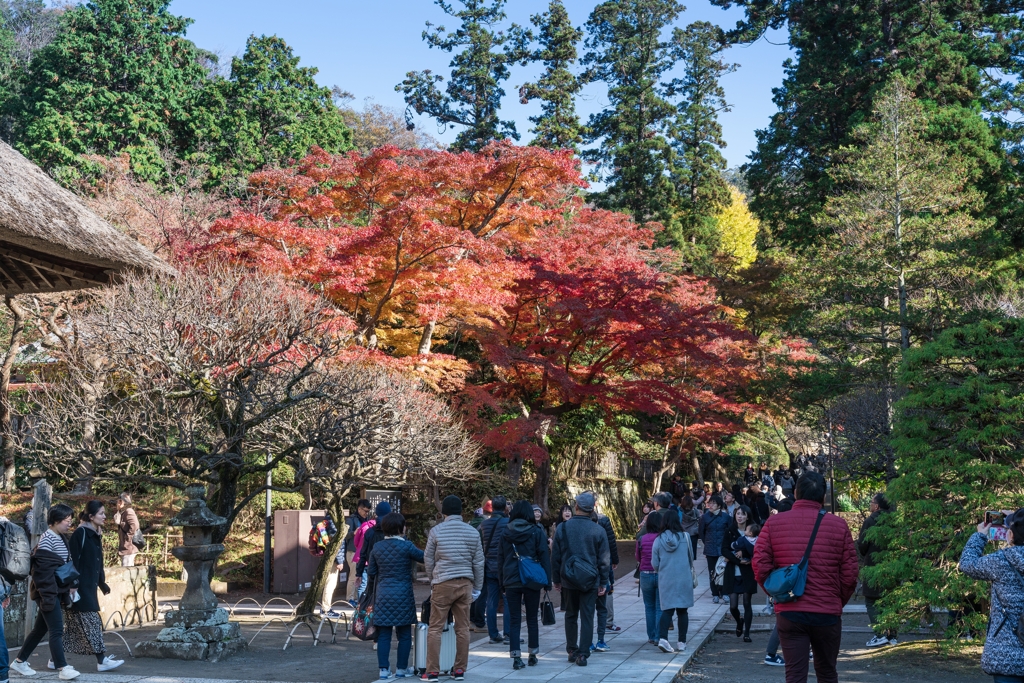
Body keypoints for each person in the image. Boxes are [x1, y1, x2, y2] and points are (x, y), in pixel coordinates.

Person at [753, 472, 858, 683]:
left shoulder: (774, 524)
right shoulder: (838, 526)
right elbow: (850, 574)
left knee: (794, 675)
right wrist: (837, 601)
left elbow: (760, 565)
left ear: (796, 492)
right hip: (827, 611)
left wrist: (778, 594)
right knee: (827, 672)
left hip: (791, 611)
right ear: (823, 496)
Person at [11, 504, 81, 681]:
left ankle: (19, 661)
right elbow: (42, 572)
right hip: (48, 592)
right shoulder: (48, 539)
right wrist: (48, 596)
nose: (69, 524)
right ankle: (62, 667)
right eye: (67, 521)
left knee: (40, 629)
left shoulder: (59, 536)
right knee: (56, 630)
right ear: (56, 521)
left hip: (54, 590)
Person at [422, 495, 484, 682]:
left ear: (443, 512)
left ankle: (432, 671)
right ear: (461, 511)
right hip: (465, 582)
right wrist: (478, 588)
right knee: (463, 628)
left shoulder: (436, 531)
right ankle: (459, 670)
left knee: (435, 628)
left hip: (442, 583)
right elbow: (479, 562)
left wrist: (434, 578)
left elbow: (428, 558)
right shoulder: (472, 532)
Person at [960, 508, 1024, 683]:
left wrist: (980, 535)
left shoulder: (1001, 561)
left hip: (1006, 656)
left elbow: (967, 564)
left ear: (1010, 535)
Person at [551, 492, 610, 667]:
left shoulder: (563, 528)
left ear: (576, 507)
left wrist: (556, 579)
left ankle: (571, 649)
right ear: (592, 508)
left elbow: (555, 556)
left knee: (570, 614)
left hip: (569, 579)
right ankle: (583, 653)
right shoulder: (598, 530)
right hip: (590, 580)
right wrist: (603, 581)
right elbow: (604, 559)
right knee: (587, 616)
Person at [65, 501, 122, 672]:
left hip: (89, 585)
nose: (105, 516)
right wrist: (73, 584)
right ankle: (102, 660)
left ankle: (54, 659)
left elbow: (98, 561)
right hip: (78, 587)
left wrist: (102, 582)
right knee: (92, 621)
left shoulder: (95, 534)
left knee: (73, 629)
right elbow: (72, 561)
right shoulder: (81, 533)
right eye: (101, 513)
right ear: (91, 516)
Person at [367, 512, 424, 680]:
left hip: (383, 595)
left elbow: (371, 572)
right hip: (403, 595)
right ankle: (401, 669)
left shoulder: (377, 547)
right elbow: (424, 557)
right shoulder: (407, 546)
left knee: (384, 635)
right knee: (404, 635)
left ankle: (383, 670)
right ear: (400, 528)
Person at [497, 500, 551, 670]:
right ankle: (533, 654)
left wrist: (502, 583)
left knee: (514, 619)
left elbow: (500, 559)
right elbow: (544, 557)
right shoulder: (536, 531)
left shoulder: (506, 532)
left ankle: (516, 657)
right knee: (532, 618)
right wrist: (547, 581)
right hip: (531, 579)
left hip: (511, 579)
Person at [652, 510, 694, 654]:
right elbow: (691, 558)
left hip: (666, 578)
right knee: (683, 611)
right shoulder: (686, 537)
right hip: (683, 578)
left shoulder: (658, 540)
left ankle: (663, 638)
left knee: (667, 610)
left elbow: (654, 563)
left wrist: (662, 570)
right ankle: (681, 642)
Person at [859, 493, 897, 648]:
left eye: (871, 502)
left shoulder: (870, 521)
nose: (870, 504)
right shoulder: (895, 521)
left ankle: (880, 634)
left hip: (874, 565)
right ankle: (893, 635)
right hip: (894, 565)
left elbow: (862, 546)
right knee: (892, 601)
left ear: (877, 506)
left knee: (871, 600)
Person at [722, 506, 759, 642]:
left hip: (748, 572)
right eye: (738, 514)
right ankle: (739, 621)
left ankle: (747, 633)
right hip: (733, 570)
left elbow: (759, 549)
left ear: (747, 516)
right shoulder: (730, 530)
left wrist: (745, 553)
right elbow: (724, 549)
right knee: (733, 606)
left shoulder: (753, 531)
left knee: (747, 602)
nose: (740, 517)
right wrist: (737, 560)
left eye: (743, 514)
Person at [589, 493, 620, 651]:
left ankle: (588, 642)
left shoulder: (574, 529)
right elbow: (607, 553)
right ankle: (600, 640)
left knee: (587, 611)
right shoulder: (602, 527)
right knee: (600, 608)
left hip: (585, 576)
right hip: (600, 575)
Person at [478, 495, 510, 644]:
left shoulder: (484, 525)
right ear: (505, 508)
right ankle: (509, 633)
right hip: (505, 566)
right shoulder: (509, 523)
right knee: (508, 599)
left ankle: (493, 634)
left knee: (491, 600)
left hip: (489, 565)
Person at [354, 501, 392, 598]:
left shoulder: (369, 532)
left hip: (372, 569)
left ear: (376, 513)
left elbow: (362, 553)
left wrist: (359, 573)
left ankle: (363, 610)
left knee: (370, 594)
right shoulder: (394, 531)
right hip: (390, 571)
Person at [697, 495, 729, 604]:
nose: (710, 505)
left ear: (719, 505)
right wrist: (707, 542)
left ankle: (725, 592)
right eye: (709, 503)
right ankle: (715, 593)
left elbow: (729, 532)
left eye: (713, 503)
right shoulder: (705, 517)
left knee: (724, 571)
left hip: (723, 549)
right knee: (712, 572)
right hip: (710, 548)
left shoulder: (726, 517)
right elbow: (701, 533)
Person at [636, 513, 662, 644]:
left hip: (645, 574)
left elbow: (638, 557)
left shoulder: (641, 539)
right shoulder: (662, 538)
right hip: (660, 574)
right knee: (659, 607)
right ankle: (659, 636)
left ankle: (651, 636)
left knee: (649, 606)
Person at [314, 513, 344, 618]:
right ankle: (326, 609)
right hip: (332, 558)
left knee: (327, 583)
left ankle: (325, 608)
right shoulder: (333, 522)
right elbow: (336, 544)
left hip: (327, 557)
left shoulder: (327, 520)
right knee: (330, 584)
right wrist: (339, 560)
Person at [345, 499, 372, 604]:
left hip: (362, 553)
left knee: (360, 577)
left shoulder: (368, 520)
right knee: (353, 576)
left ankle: (357, 598)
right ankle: (350, 598)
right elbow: (344, 536)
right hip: (352, 551)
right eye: (365, 511)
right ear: (359, 509)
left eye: (368, 511)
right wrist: (353, 533)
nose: (366, 513)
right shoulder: (351, 520)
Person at [113, 493, 139, 567]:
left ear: (122, 502)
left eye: (118, 501)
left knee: (126, 571)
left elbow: (135, 525)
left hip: (129, 548)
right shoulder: (123, 512)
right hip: (126, 547)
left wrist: (128, 538)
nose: (117, 503)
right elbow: (117, 521)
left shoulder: (129, 511)